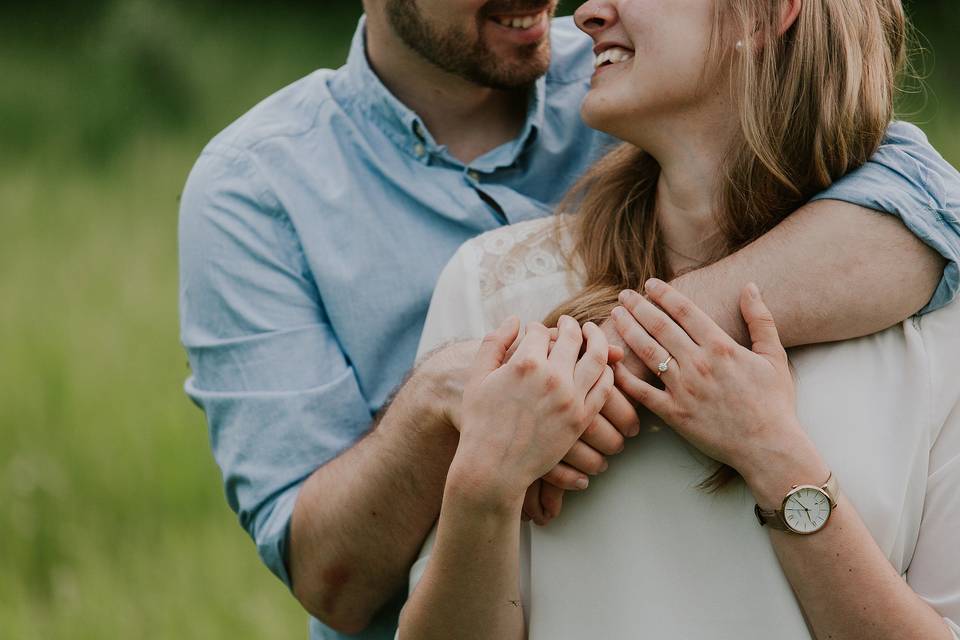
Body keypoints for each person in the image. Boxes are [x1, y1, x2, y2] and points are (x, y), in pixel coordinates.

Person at [177, 1, 960, 639]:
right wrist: (456, 417)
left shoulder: (626, 70)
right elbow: (331, 579)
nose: (576, 11)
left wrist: (614, 353)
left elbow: (927, 205)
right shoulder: (257, 192)